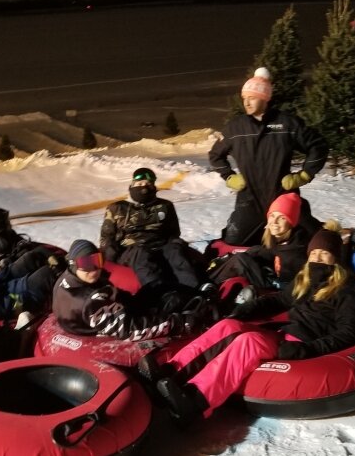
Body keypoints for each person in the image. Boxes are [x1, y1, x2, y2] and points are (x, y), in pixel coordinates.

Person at [139, 226, 355, 425]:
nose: (317, 258)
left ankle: (196, 400)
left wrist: (308, 349)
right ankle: (171, 372)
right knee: (228, 325)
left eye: (324, 254)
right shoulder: (305, 279)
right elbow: (280, 300)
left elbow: (350, 330)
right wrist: (245, 311)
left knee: (249, 342)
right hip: (286, 333)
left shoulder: (345, 289)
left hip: (303, 342)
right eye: (314, 253)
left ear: (335, 259)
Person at [209, 67, 328, 246]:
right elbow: (215, 155)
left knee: (312, 240)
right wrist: (229, 176)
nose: (247, 103)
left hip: (282, 196)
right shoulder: (236, 127)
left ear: (265, 99)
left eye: (252, 98)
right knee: (235, 241)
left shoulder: (286, 123)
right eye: (244, 98)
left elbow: (318, 146)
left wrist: (304, 175)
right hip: (250, 198)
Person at [52, 239, 215, 342]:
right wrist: (178, 322)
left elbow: (115, 297)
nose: (94, 269)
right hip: (111, 326)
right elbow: (129, 330)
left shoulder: (66, 279)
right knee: (172, 302)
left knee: (158, 288)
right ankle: (207, 313)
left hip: (103, 315)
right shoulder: (90, 300)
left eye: (97, 260)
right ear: (74, 265)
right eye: (87, 264)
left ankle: (198, 293)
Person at [99, 167, 213, 297]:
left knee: (175, 251)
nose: (144, 187)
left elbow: (173, 231)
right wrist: (111, 257)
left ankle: (194, 290)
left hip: (160, 245)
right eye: (140, 184)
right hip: (131, 248)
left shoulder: (165, 206)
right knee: (141, 255)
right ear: (132, 185)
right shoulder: (117, 208)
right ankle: (160, 293)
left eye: (148, 184)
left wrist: (174, 242)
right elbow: (106, 236)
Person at [208, 192, 323, 301]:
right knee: (248, 254)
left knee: (241, 261)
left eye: (282, 218)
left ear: (291, 222)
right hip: (274, 279)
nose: (274, 222)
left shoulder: (296, 251)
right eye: (272, 216)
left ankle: (210, 284)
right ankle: (210, 280)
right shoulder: (282, 238)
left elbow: (294, 288)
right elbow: (271, 251)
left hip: (279, 290)